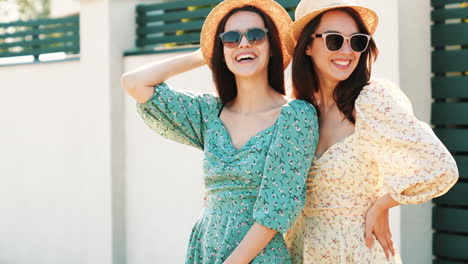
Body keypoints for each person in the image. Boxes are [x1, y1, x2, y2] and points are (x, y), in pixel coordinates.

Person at [121, 0, 319, 263]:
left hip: (259, 257)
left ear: (272, 45)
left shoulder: (296, 117)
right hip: (205, 250)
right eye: (231, 38)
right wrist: (202, 54)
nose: (244, 43)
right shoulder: (209, 114)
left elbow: (276, 211)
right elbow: (134, 83)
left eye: (256, 35)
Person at [283, 0, 459, 263]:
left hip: (359, 251)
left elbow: (441, 167)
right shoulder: (297, 111)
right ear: (307, 45)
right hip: (301, 251)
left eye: (357, 41)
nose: (347, 50)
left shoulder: (372, 100)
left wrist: (382, 204)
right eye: (334, 40)